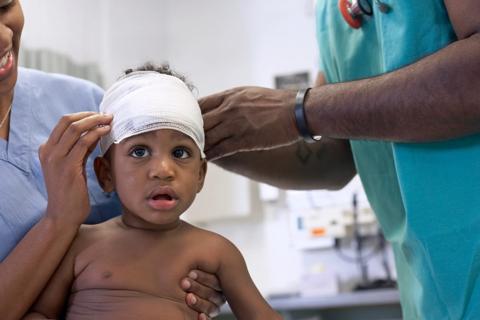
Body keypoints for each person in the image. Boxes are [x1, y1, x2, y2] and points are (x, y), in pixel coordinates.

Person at [199, 1, 480, 319]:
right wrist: (204, 138)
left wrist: (301, 111)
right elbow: (333, 157)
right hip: (432, 300)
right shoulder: (332, 12)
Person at [0, 2, 221, 319]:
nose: (3, 37)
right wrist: (59, 221)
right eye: (142, 152)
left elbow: (154, 231)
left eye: (4, 6)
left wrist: (196, 281)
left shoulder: (86, 105)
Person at [23, 64, 282, 320]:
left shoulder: (217, 252)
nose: (163, 170)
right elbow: (42, 313)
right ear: (106, 174)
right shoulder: (79, 244)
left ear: (200, 175)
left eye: (180, 153)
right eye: (140, 152)